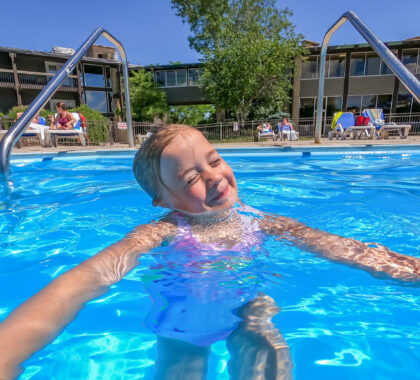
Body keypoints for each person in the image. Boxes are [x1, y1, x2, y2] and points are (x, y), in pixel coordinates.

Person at [0, 124, 419, 380]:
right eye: (191, 176)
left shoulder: (262, 219)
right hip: (183, 327)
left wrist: (401, 267)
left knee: (269, 358)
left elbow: (331, 245)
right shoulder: (163, 230)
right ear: (165, 200)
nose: (214, 176)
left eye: (214, 160)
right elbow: (90, 277)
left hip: (251, 311)